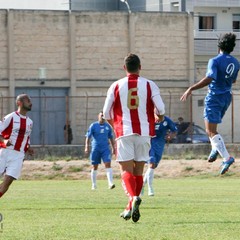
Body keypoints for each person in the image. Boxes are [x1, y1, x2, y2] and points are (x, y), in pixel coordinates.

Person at [103, 53, 165, 222]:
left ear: (124, 68)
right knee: (138, 171)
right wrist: (160, 117)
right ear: (140, 67)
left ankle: (132, 199)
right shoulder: (150, 85)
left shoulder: (115, 86)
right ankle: (130, 206)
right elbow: (161, 108)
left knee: (125, 171)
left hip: (124, 132)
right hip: (144, 133)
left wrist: (115, 126)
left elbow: (106, 111)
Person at [180, 32, 240, 175]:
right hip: (226, 97)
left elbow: (209, 78)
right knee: (213, 129)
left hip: (214, 97)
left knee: (210, 131)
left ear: (218, 45)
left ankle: (227, 158)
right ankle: (215, 149)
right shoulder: (236, 62)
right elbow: (233, 81)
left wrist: (191, 88)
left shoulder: (214, 60)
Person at [0, 94, 34, 199]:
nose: (30, 102)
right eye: (27, 100)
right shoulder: (11, 117)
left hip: (18, 155)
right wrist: (4, 140)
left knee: (8, 182)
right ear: (19, 103)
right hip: (5, 152)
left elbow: (26, 138)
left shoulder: (30, 122)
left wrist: (28, 147)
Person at [142, 115, 177, 196]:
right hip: (149, 143)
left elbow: (174, 130)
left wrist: (170, 136)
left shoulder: (167, 120)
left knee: (153, 166)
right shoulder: (148, 118)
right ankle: (150, 188)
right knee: (151, 164)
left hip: (160, 144)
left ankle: (142, 185)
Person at [85, 111, 115, 190]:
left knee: (108, 164)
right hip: (96, 148)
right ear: (98, 116)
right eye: (101, 115)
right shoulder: (93, 125)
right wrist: (86, 147)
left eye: (104, 116)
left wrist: (114, 148)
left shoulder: (108, 126)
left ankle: (110, 183)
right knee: (94, 166)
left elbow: (111, 138)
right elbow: (88, 137)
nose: (103, 117)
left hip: (105, 148)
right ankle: (94, 185)